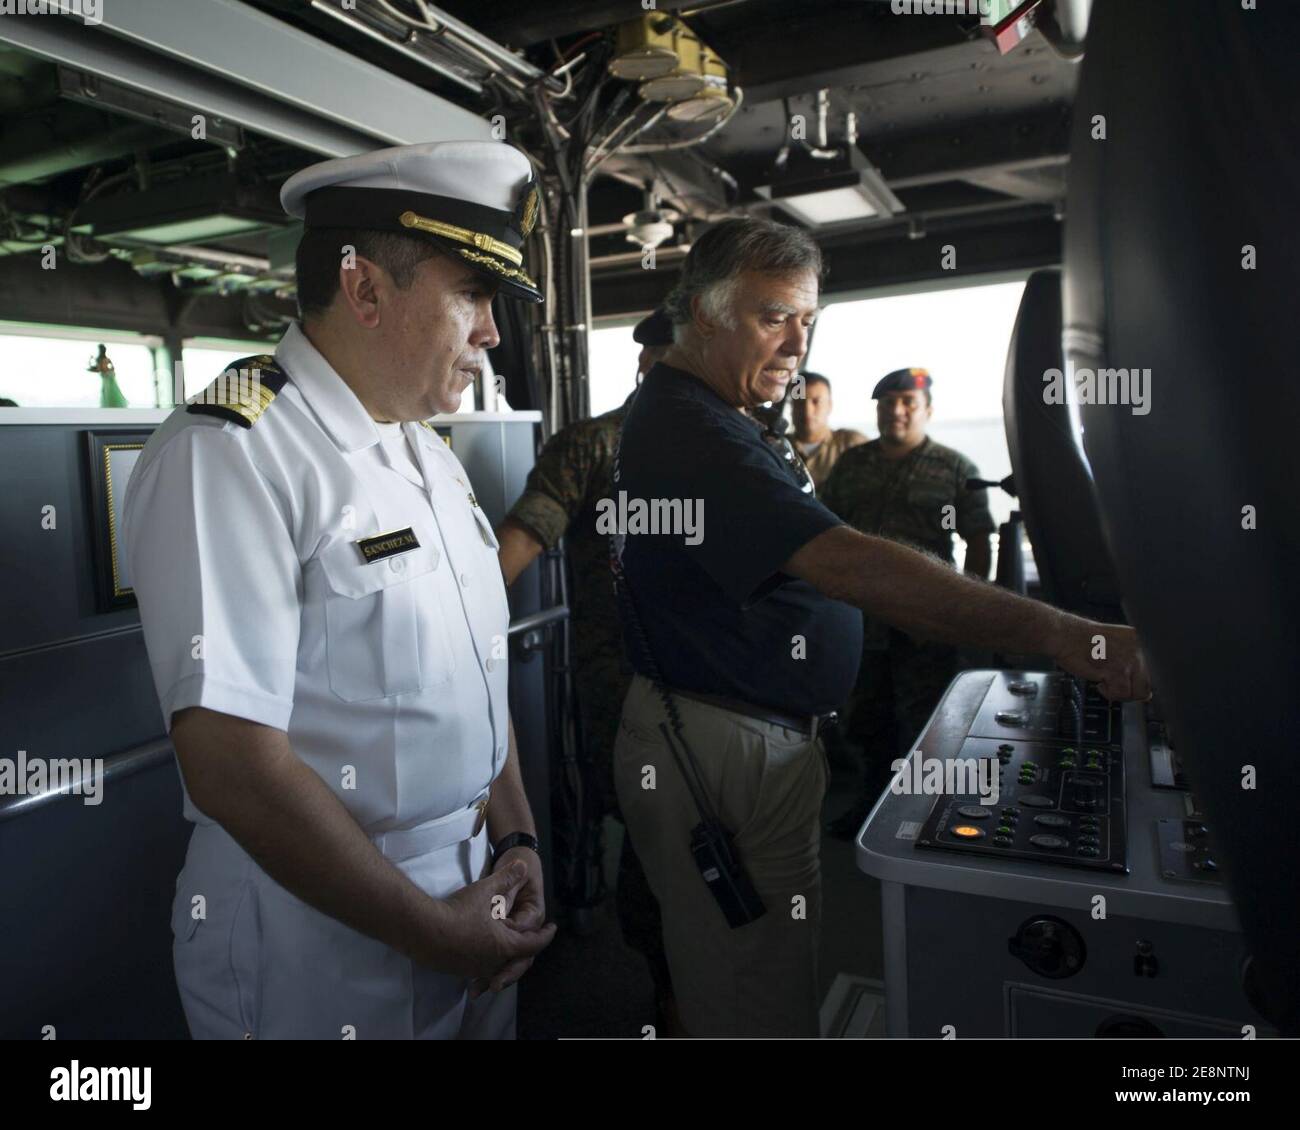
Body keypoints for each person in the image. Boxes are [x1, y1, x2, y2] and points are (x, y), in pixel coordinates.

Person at [611, 217, 1149, 1037]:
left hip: (736, 730)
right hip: (722, 747)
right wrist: (1068, 636)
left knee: (760, 973)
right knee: (752, 1002)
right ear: (704, 313)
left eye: (807, 320)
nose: (796, 344)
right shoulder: (692, 429)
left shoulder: (716, 415)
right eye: (772, 318)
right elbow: (847, 561)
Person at [122, 140, 556, 1040]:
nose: (490, 333)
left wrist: (512, 835)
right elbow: (233, 765)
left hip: (474, 889)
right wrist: (431, 930)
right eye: (472, 297)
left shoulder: (423, 453)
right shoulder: (231, 451)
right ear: (364, 289)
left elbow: (475, 674)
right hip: (319, 942)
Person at [494, 308, 680, 1029]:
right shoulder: (594, 447)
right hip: (628, 685)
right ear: (648, 367)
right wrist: (446, 634)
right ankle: (662, 988)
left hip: (726, 689)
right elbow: (523, 538)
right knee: (653, 838)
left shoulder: (743, 448)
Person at [821, 367, 998, 838]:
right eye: (887, 403)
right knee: (867, 717)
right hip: (862, 618)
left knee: (927, 721)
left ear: (927, 411)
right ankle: (870, 805)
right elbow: (823, 532)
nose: (896, 411)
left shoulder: (955, 468)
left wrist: (968, 609)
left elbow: (978, 540)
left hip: (925, 620)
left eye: (907, 403)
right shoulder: (851, 466)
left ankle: (921, 814)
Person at [789, 371, 866, 489]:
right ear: (792, 406)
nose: (807, 411)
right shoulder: (776, 447)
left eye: (816, 402)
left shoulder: (852, 444)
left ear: (829, 406)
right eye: (800, 402)